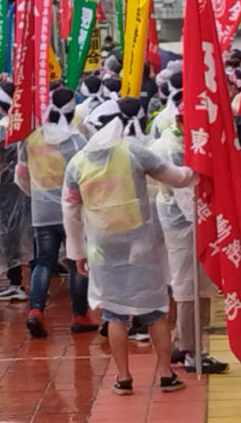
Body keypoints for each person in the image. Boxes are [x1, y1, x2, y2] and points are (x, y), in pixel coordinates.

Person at [63, 99, 195, 395]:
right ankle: (165, 374)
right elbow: (176, 177)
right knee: (156, 311)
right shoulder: (134, 151)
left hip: (103, 247)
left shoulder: (77, 162)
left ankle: (123, 378)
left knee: (113, 313)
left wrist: (77, 253)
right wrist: (199, 168)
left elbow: (70, 209)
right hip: (141, 243)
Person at [151, 108, 229, 375]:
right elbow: (185, 195)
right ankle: (192, 351)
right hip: (185, 224)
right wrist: (206, 226)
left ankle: (183, 341)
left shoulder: (174, 142)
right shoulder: (173, 149)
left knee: (194, 283)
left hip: (184, 221)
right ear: (180, 121)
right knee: (190, 286)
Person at [16, 87, 99, 337]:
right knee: (77, 261)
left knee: (43, 261)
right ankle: (79, 315)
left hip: (41, 211)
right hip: (72, 212)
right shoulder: (77, 142)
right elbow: (88, 177)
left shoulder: (31, 138)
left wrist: (37, 196)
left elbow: (20, 176)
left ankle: (35, 310)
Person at [0, 82, 30, 301]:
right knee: (31, 232)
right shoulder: (31, 123)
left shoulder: (0, 129)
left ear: (1, 106)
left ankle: (15, 282)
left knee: (9, 235)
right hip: (31, 186)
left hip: (7, 189)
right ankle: (39, 280)